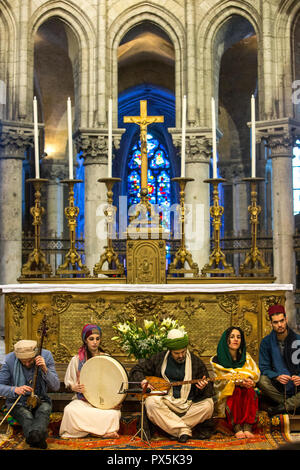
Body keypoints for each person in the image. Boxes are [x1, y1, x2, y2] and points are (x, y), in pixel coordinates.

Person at [129, 328, 214, 443]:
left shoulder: (196, 362)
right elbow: (136, 370)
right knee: (150, 403)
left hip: (188, 405)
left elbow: (208, 391)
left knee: (208, 405)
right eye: (176, 353)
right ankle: (183, 430)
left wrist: (202, 387)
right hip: (166, 403)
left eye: (183, 352)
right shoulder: (159, 358)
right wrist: (143, 381)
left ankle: (171, 428)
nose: (181, 355)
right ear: (170, 351)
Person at [59, 323, 121, 439]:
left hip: (103, 402)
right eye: (91, 339)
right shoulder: (77, 359)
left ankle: (91, 431)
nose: (95, 342)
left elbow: (115, 381)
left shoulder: (107, 358)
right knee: (69, 411)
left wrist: (114, 401)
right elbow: (69, 382)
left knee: (113, 414)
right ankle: (99, 432)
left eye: (97, 339)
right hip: (83, 401)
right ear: (85, 340)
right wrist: (73, 387)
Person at [0, 339, 60, 449]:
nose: (27, 364)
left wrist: (45, 369)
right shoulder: (9, 360)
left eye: (30, 360)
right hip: (17, 402)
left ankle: (33, 438)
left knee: (44, 410)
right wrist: (15, 389)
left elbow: (56, 386)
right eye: (23, 361)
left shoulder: (45, 356)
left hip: (40, 399)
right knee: (26, 416)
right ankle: (38, 438)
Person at [210, 326, 260, 439]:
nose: (235, 340)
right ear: (226, 340)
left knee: (249, 390)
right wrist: (237, 382)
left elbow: (255, 374)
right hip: (225, 393)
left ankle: (247, 426)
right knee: (235, 390)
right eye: (232, 337)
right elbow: (221, 380)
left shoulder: (246, 358)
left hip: (245, 389)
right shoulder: (217, 359)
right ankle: (237, 426)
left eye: (238, 337)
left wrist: (250, 381)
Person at [258, 304, 300, 416]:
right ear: (271, 323)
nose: (280, 325)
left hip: (298, 386)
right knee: (262, 381)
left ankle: (281, 408)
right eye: (275, 322)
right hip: (279, 387)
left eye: (282, 321)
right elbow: (264, 368)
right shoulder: (266, 343)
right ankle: (292, 405)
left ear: (286, 320)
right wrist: (277, 376)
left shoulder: (298, 340)